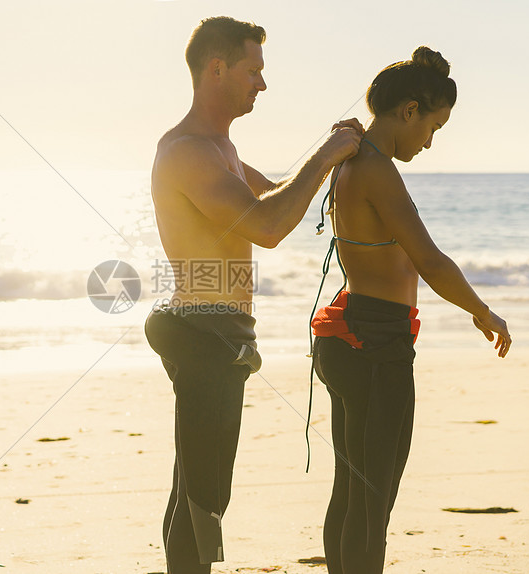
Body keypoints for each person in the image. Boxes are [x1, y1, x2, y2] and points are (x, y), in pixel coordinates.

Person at [143, 16, 363, 573]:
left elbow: (284, 195)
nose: (262, 84)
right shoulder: (190, 151)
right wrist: (329, 153)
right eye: (253, 70)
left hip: (221, 329)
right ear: (217, 68)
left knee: (195, 484)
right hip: (205, 327)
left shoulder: (221, 146)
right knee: (205, 497)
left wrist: (338, 160)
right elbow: (266, 226)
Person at [311, 46, 512, 574]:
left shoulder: (351, 159)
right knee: (372, 497)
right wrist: (483, 311)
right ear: (409, 110)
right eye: (433, 127)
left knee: (354, 487)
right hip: (376, 341)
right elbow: (430, 261)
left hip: (354, 334)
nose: (429, 141)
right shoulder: (375, 169)